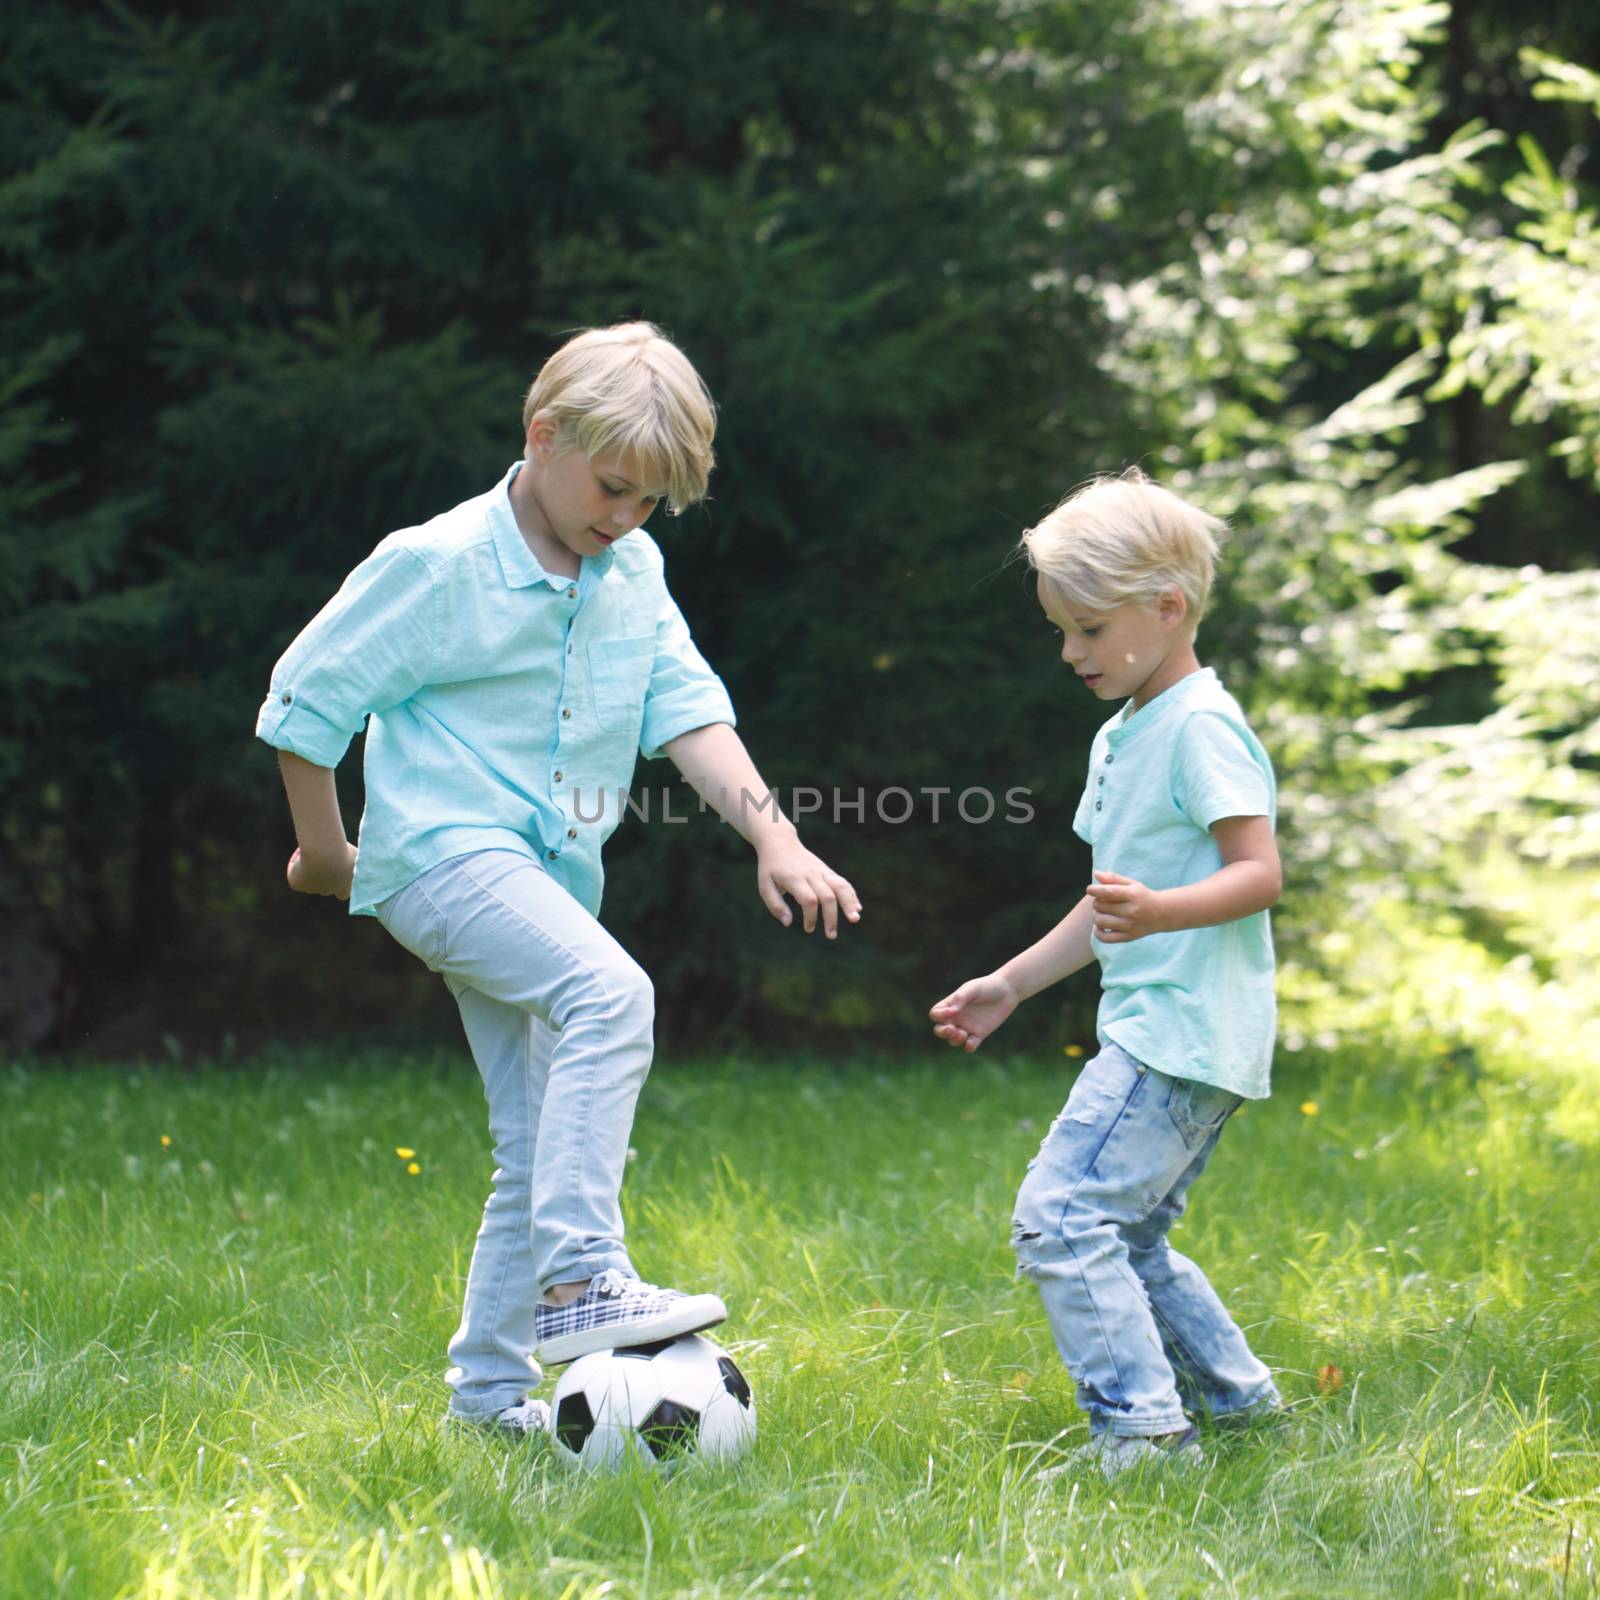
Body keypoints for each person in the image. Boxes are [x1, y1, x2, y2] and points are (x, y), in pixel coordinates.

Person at [257, 321, 860, 1437]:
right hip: (442, 854)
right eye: (614, 488)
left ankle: (488, 1401)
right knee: (610, 994)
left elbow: (688, 711)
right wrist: (328, 853)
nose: (624, 518)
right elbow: (306, 701)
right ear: (544, 437)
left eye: (649, 504)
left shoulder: (631, 572)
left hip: (543, 879)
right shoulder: (438, 563)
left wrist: (775, 838)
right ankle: (585, 1279)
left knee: (534, 1141)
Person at [929, 468, 1283, 1478]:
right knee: (1125, 1237)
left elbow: (1258, 872)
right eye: (1061, 630)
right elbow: (1106, 902)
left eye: (1087, 629)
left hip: (1180, 1029)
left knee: (1061, 1216)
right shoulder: (1126, 731)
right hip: (1171, 1027)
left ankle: (1142, 1435)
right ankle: (1236, 1406)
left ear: (1166, 609)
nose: (1070, 652)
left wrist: (1165, 911)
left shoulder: (1202, 726)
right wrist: (1009, 984)